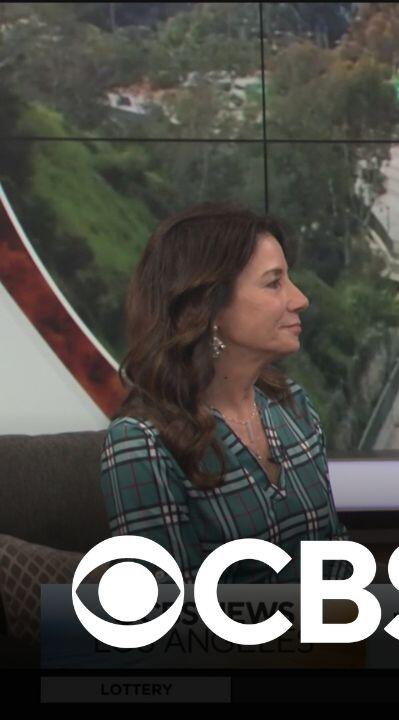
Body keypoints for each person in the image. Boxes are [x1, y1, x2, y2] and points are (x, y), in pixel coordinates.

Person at [99, 202, 349, 583]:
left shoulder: (293, 405)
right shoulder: (141, 443)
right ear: (209, 306)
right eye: (274, 283)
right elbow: (170, 610)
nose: (300, 299)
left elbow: (336, 554)